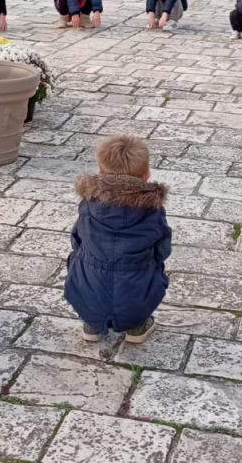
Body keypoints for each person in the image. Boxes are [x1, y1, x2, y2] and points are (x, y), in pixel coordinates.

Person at [65, 135, 171, 344]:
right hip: (136, 296)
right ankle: (136, 325)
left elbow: (77, 240)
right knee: (154, 266)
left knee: (79, 258)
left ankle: (91, 323)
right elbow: (163, 249)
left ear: (100, 171)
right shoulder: (153, 211)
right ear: (147, 174)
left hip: (88, 293)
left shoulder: (88, 204)